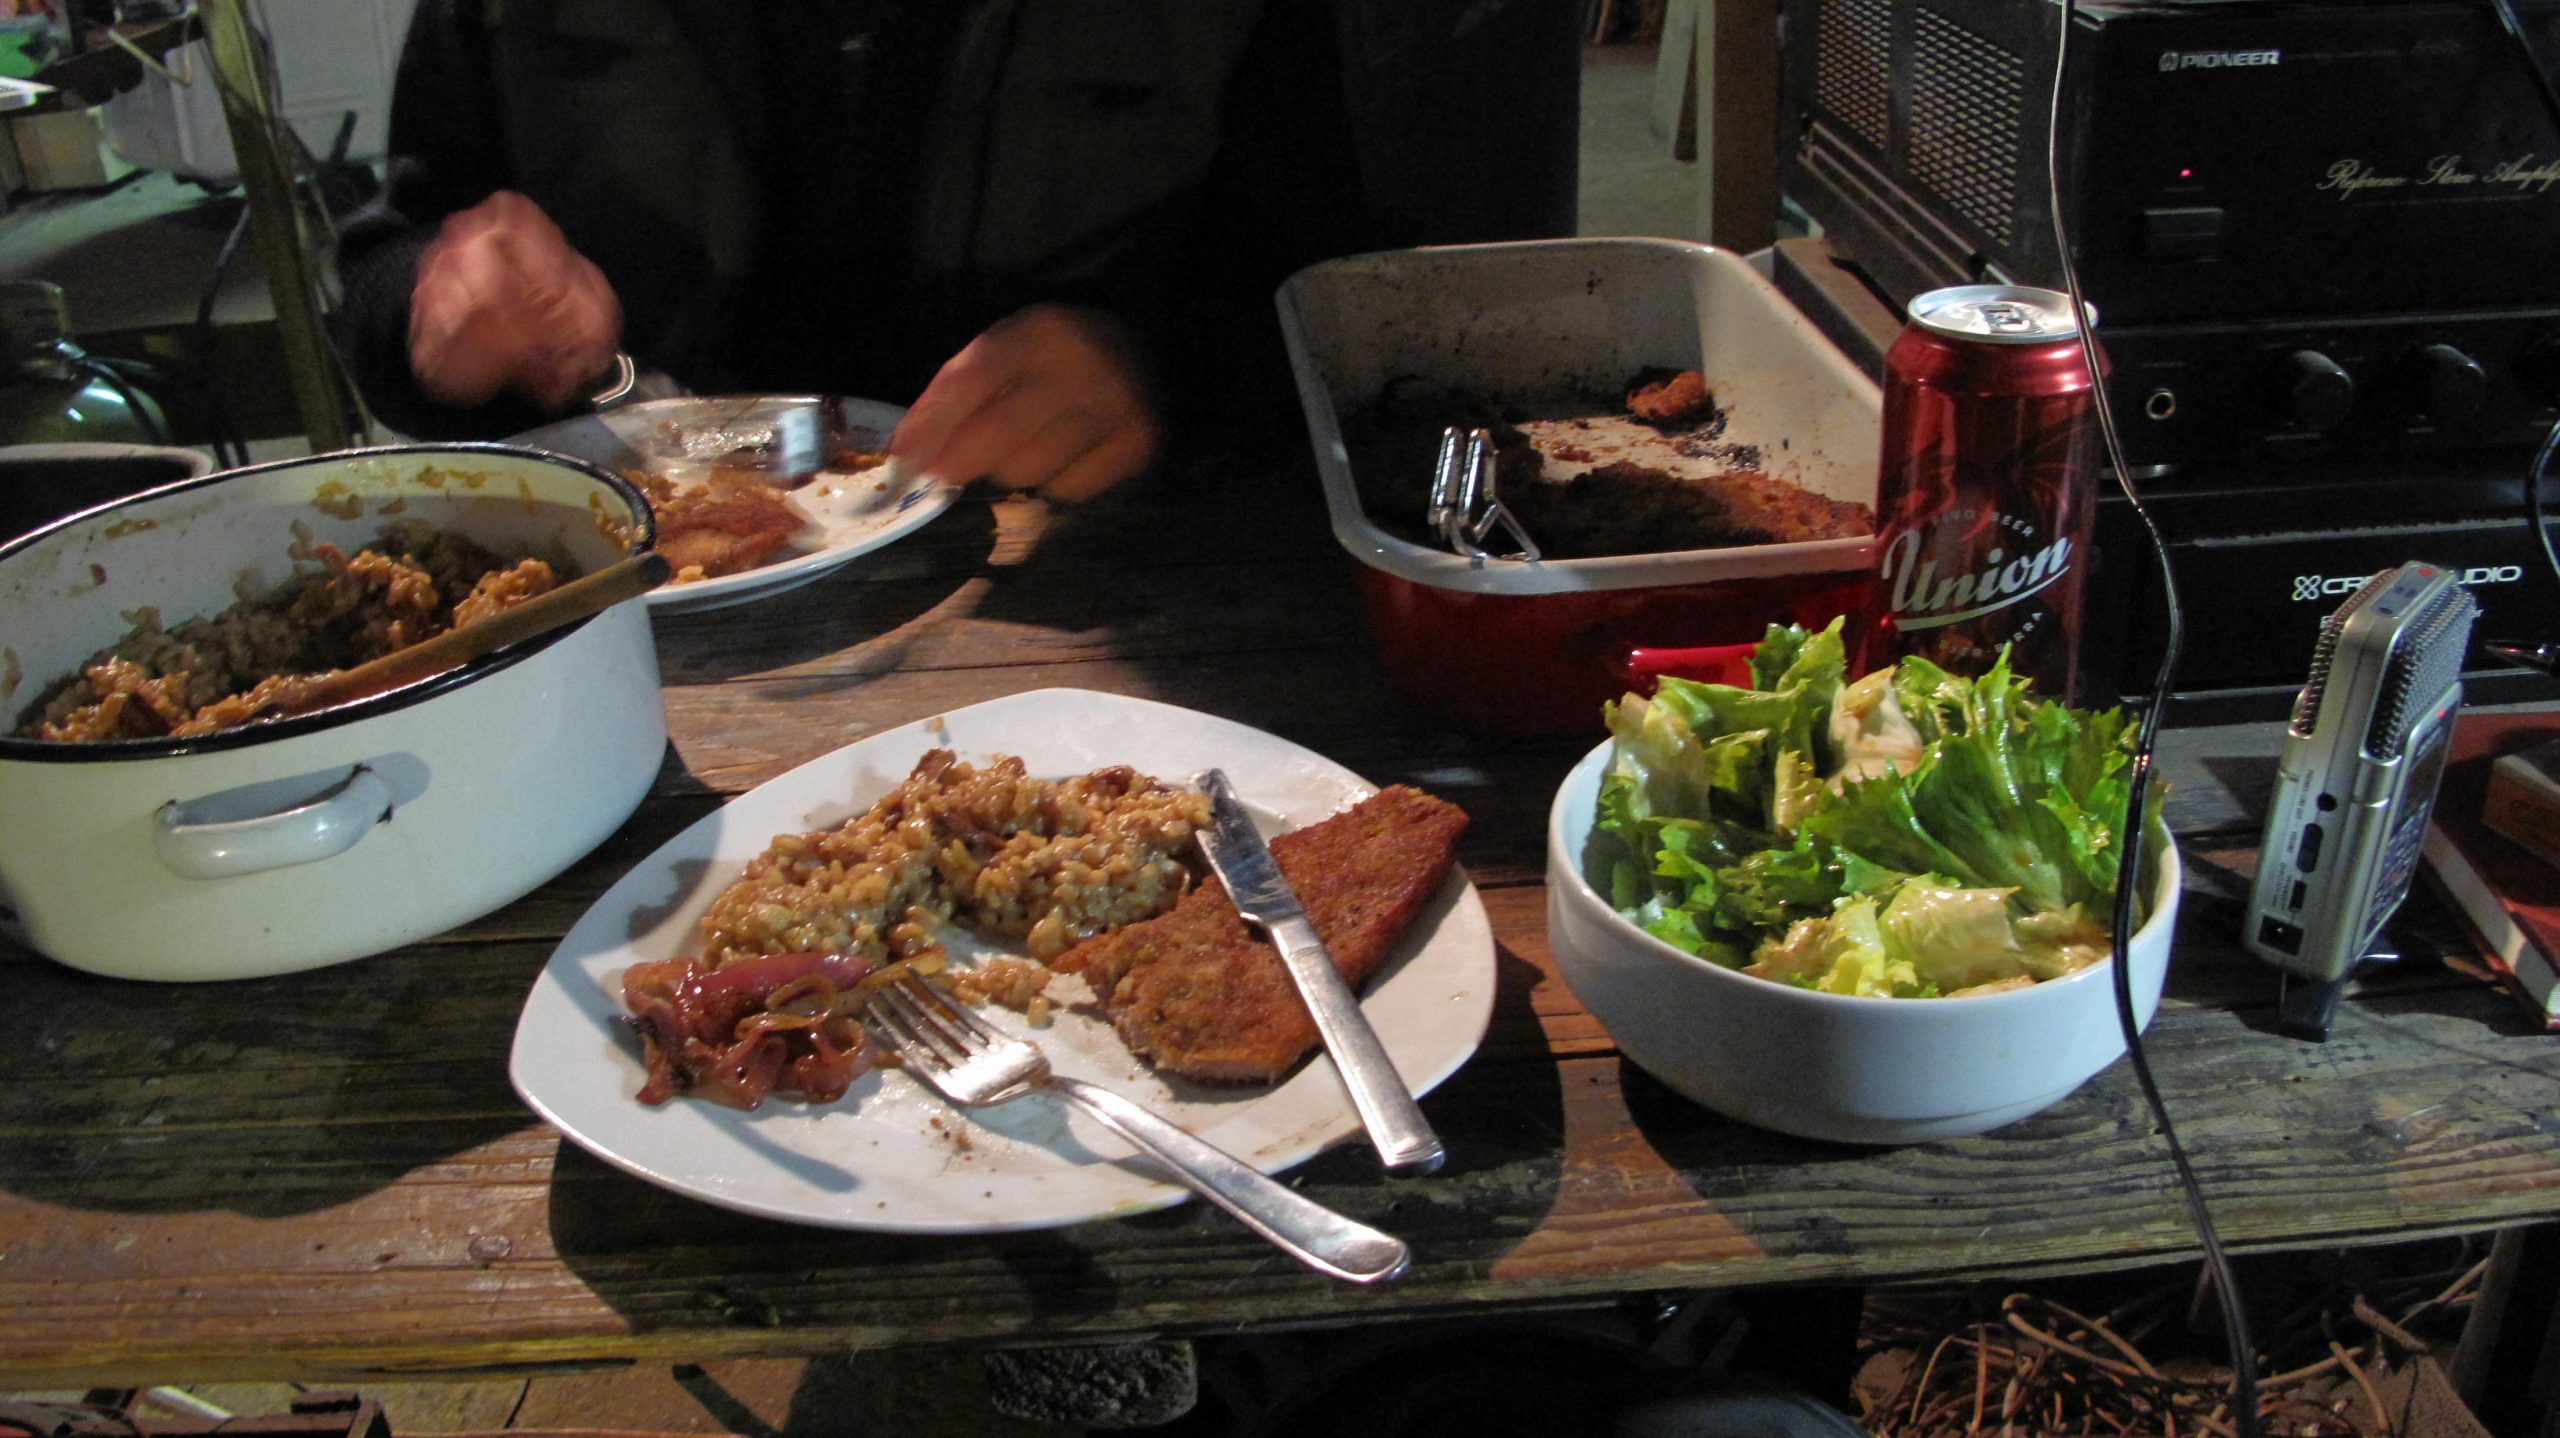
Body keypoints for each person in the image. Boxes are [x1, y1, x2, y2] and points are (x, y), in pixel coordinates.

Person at [331, 0, 1393, 505]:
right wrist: (440, 309)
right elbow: (385, 284)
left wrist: (1161, 371)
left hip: (1085, 605)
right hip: (637, 621)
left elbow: (1349, 320)